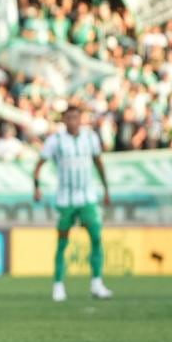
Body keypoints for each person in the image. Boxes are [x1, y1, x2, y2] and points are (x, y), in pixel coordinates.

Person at [33, 105, 113, 303]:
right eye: (69, 118)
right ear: (64, 120)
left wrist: (106, 189)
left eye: (76, 118)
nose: (73, 121)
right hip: (65, 200)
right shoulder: (55, 141)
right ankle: (58, 286)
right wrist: (36, 187)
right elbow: (39, 164)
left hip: (87, 198)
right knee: (62, 243)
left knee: (96, 238)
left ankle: (97, 283)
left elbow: (99, 162)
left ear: (81, 119)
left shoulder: (90, 138)